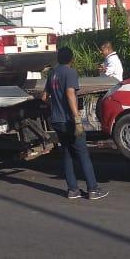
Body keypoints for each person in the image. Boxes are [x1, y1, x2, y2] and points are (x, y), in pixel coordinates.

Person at [45, 46, 108, 200]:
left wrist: (54, 108)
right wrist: (76, 117)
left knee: (67, 153)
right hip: (69, 120)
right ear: (71, 59)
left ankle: (73, 190)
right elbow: (70, 93)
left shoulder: (52, 73)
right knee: (82, 154)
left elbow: (44, 97)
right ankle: (93, 189)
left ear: (58, 58)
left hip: (57, 120)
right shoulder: (70, 72)